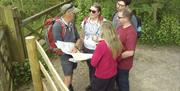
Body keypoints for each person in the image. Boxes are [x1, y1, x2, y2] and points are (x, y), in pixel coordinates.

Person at [52, 3, 81, 91]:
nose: (75, 14)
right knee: (67, 76)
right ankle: (66, 88)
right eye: (73, 12)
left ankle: (69, 87)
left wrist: (75, 47)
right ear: (67, 13)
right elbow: (58, 44)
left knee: (71, 71)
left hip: (73, 53)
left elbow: (78, 38)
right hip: (65, 55)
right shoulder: (57, 26)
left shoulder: (71, 23)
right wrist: (70, 50)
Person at [80, 2, 106, 91]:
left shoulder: (103, 22)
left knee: (98, 68)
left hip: (97, 49)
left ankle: (98, 86)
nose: (91, 12)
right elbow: (82, 33)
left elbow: (107, 37)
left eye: (93, 11)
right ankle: (93, 84)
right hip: (87, 48)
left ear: (99, 13)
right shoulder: (85, 21)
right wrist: (82, 43)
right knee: (91, 68)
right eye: (90, 10)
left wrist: (99, 39)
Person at [91, 21, 123, 91]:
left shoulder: (101, 45)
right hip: (113, 73)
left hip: (102, 75)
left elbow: (93, 63)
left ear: (103, 32)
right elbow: (119, 58)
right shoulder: (118, 42)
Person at [116, 8, 137, 91]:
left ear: (126, 18)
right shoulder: (119, 27)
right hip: (116, 62)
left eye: (119, 17)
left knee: (123, 84)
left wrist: (117, 57)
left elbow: (130, 52)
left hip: (123, 65)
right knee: (117, 82)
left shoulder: (131, 32)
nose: (117, 18)